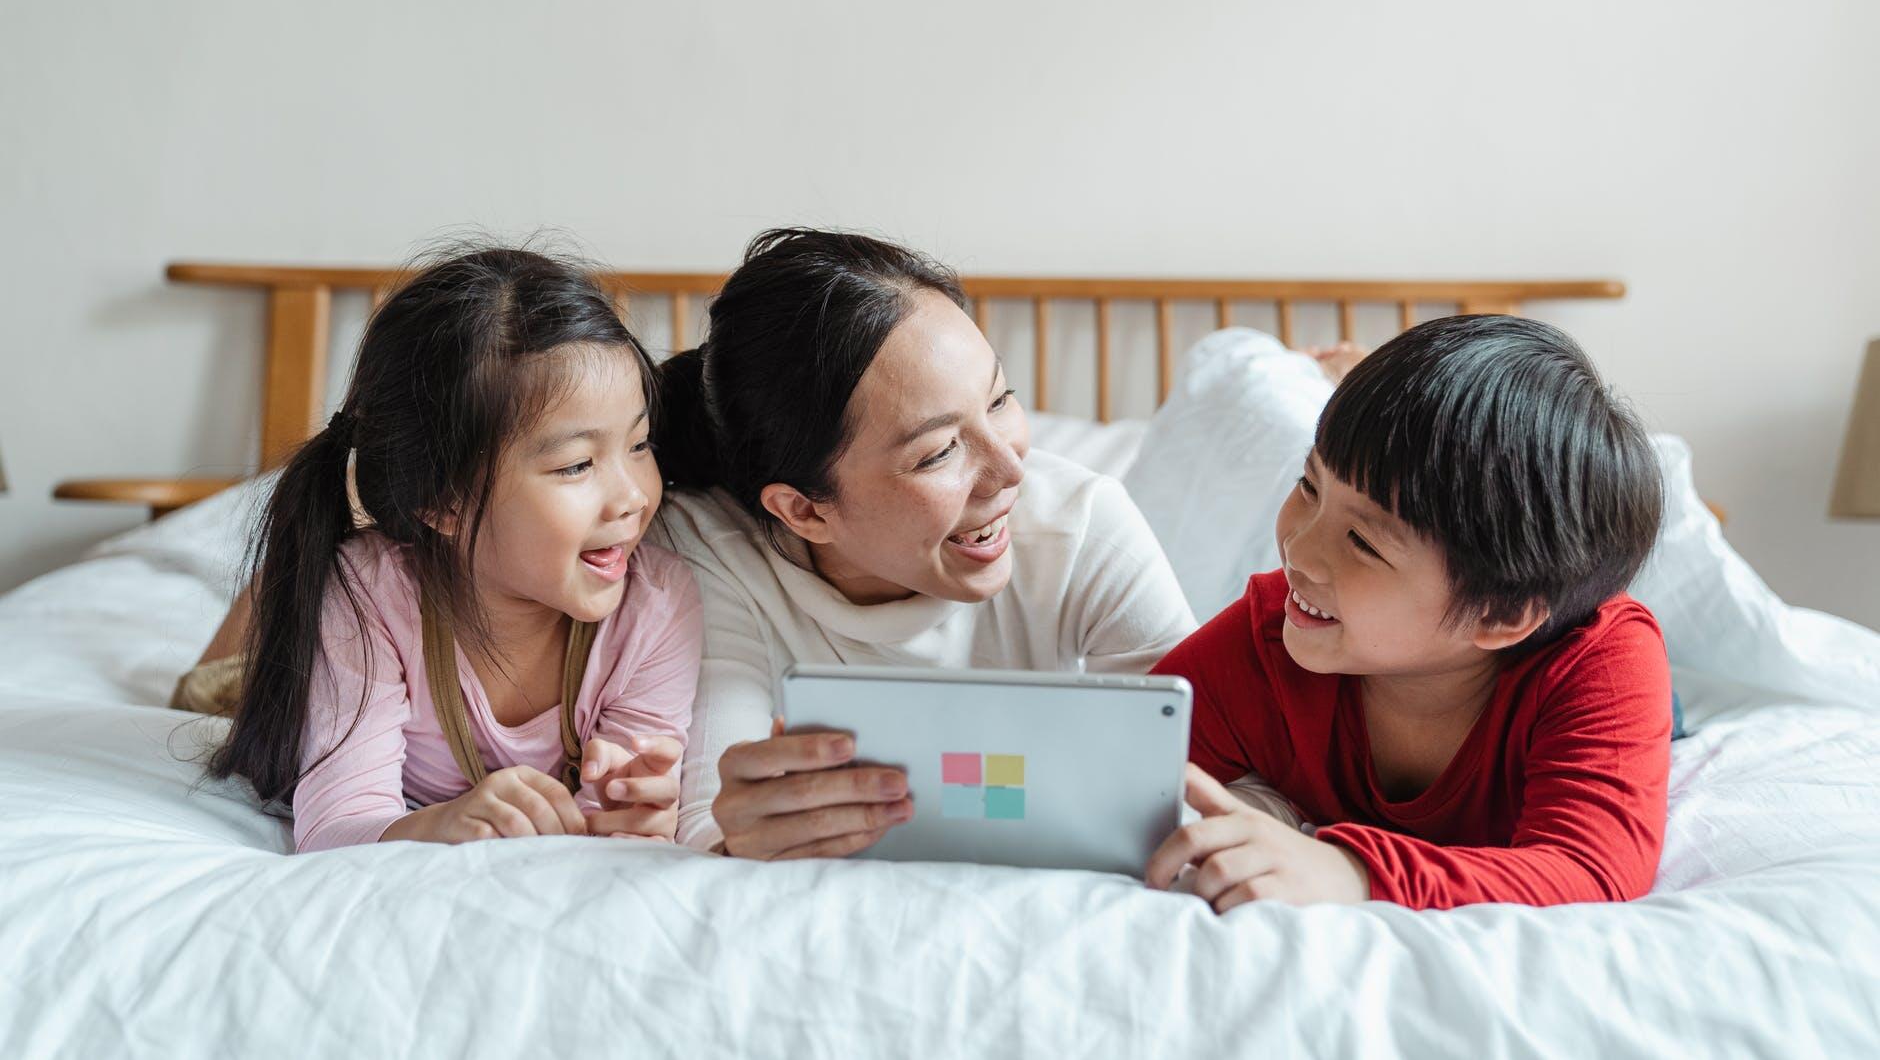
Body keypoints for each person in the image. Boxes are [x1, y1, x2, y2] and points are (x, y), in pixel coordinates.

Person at [653, 228, 1201, 859]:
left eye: (1000, 400)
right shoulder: (709, 551)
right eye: (938, 452)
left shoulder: (1084, 527)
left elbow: (1209, 781)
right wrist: (738, 834)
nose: (1011, 471)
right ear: (803, 509)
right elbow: (709, 818)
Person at [1146, 315, 1670, 909]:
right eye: (1309, 487)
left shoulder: (1599, 664)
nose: (1297, 551)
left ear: (1500, 616)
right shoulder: (1269, 636)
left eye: (1363, 543)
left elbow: (1588, 870)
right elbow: (1107, 767)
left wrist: (1352, 872)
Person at [203, 246, 703, 852]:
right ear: (439, 501)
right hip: (289, 652)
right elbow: (335, 827)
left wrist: (633, 817)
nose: (632, 498)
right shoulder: (367, 597)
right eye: (576, 465)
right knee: (217, 688)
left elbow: (610, 826)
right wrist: (436, 824)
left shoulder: (658, 603)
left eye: (641, 444)